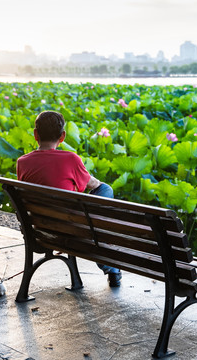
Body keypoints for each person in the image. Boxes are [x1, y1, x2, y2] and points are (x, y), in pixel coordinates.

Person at [16, 110, 121, 287]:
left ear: (35, 134)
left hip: (38, 231)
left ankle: (105, 254)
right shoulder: (71, 159)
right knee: (106, 189)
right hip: (70, 232)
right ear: (63, 136)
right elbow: (96, 186)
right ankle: (109, 266)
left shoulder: (22, 162)